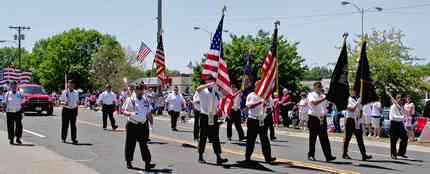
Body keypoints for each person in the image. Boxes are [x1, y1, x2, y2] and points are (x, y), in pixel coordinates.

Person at [121, 83, 156, 170]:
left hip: (143, 125)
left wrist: (151, 124)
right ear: (135, 91)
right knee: (130, 144)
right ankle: (129, 162)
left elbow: (149, 113)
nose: (141, 92)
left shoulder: (146, 100)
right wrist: (130, 113)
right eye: (139, 90)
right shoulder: (130, 99)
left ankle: (147, 163)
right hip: (132, 124)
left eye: (142, 90)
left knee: (144, 145)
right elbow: (123, 111)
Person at [196, 76, 228, 165]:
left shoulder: (215, 91)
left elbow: (224, 96)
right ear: (206, 81)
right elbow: (198, 89)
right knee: (203, 137)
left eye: (212, 80)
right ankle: (200, 156)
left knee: (215, 137)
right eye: (209, 80)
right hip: (204, 116)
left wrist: (220, 87)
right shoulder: (203, 90)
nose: (211, 82)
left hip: (213, 116)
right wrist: (207, 85)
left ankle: (218, 157)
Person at [245, 87, 276, 163]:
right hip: (252, 120)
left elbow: (270, 108)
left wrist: (265, 113)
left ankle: (268, 157)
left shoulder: (267, 96)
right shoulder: (251, 95)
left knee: (264, 139)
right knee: (251, 139)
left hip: (262, 120)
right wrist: (260, 102)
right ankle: (248, 157)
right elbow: (249, 106)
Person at [307, 82, 336, 162]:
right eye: (318, 86)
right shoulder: (311, 95)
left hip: (322, 118)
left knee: (324, 138)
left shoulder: (323, 96)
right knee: (313, 138)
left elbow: (330, 103)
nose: (319, 88)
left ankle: (328, 156)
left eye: (320, 86)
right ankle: (311, 155)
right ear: (314, 87)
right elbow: (314, 103)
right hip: (313, 118)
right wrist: (324, 98)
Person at [342, 89, 372, 161]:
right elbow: (352, 109)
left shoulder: (357, 99)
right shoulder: (348, 99)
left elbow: (361, 110)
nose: (355, 92)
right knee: (347, 138)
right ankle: (344, 153)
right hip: (350, 120)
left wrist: (360, 118)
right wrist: (358, 102)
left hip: (357, 121)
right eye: (353, 91)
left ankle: (363, 154)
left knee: (360, 138)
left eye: (356, 91)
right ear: (351, 91)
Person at [4, 81, 24, 145]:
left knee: (19, 126)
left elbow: (23, 102)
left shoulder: (20, 93)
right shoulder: (7, 94)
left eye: (15, 85)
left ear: (16, 86)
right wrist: (4, 110)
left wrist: (22, 111)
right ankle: (11, 139)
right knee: (10, 126)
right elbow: (5, 103)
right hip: (10, 112)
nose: (14, 86)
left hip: (18, 111)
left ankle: (18, 138)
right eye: (12, 85)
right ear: (10, 86)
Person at [60, 80, 80, 145]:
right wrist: (64, 103)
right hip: (66, 109)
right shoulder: (64, 92)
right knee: (65, 125)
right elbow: (60, 101)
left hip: (73, 110)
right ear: (68, 85)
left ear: (74, 85)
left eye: (72, 84)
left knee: (73, 125)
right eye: (70, 84)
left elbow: (77, 101)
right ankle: (63, 138)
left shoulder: (76, 92)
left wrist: (78, 103)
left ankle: (74, 139)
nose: (71, 85)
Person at [389, 94, 409, 159]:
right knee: (393, 140)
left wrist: (404, 114)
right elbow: (393, 117)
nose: (401, 100)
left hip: (400, 124)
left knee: (405, 137)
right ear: (396, 99)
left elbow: (404, 114)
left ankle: (401, 152)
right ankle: (393, 154)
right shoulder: (393, 107)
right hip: (394, 124)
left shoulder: (401, 107)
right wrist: (402, 117)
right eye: (399, 99)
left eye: (401, 99)